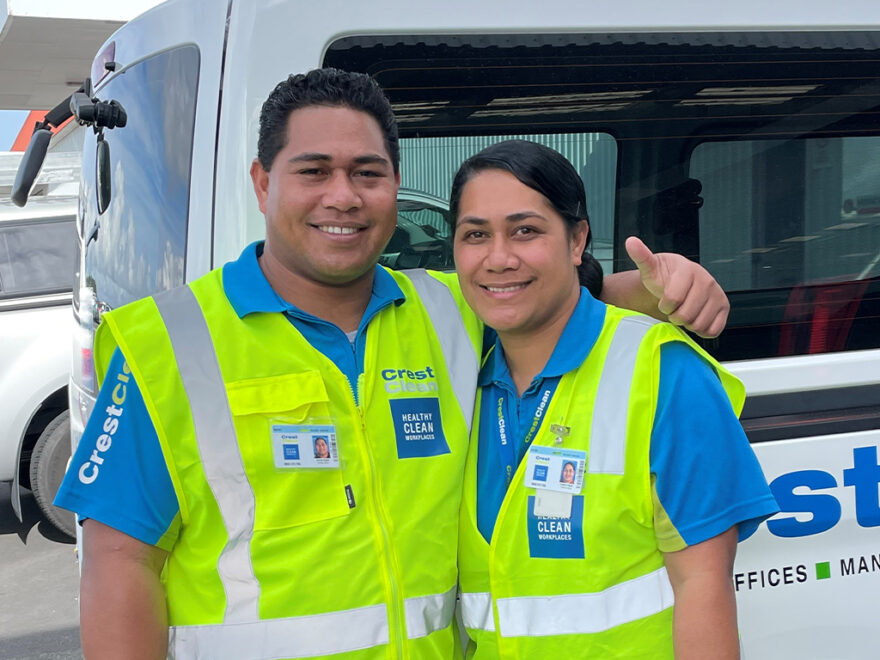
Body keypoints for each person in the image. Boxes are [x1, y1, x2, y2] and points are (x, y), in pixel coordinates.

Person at [54, 69, 732, 660]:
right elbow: (120, 566)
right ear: (263, 183)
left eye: (367, 174)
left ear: (395, 187)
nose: (343, 197)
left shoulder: (447, 311)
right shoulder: (173, 344)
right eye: (313, 171)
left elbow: (552, 301)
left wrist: (665, 284)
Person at [451, 140, 779, 659]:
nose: (499, 257)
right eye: (475, 235)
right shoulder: (458, 373)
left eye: (526, 230)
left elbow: (704, 588)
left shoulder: (662, 371)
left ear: (577, 240)